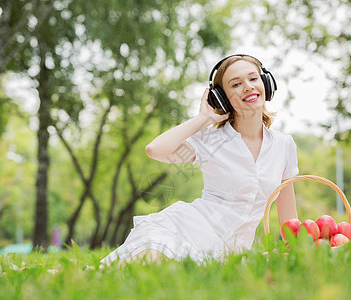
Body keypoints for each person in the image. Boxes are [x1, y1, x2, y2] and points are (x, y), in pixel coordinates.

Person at [100, 54, 299, 265]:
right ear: (222, 98)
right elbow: (155, 149)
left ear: (266, 83)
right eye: (236, 84)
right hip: (192, 229)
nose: (248, 87)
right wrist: (204, 118)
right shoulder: (211, 142)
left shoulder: (284, 146)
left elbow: (290, 221)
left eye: (253, 79)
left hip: (233, 253)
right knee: (145, 264)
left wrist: (297, 252)